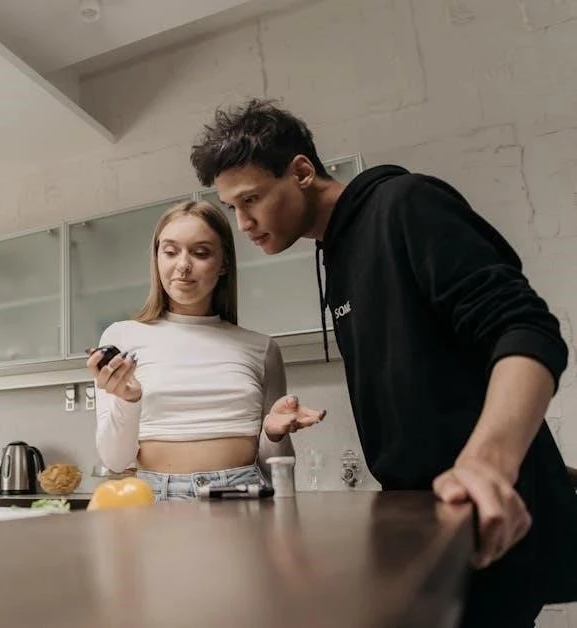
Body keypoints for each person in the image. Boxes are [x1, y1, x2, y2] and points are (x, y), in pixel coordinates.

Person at [189, 98, 577, 627]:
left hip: (483, 517)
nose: (244, 223)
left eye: (251, 199)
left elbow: (526, 328)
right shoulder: (337, 252)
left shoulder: (405, 204)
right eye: (232, 207)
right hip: (428, 521)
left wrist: (489, 462)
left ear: (301, 172)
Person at [87, 199, 326, 501]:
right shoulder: (122, 338)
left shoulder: (262, 349)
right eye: (170, 252)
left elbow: (275, 471)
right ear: (157, 257)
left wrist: (273, 433)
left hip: (242, 495)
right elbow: (115, 460)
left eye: (200, 253)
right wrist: (128, 400)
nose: (183, 265)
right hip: (154, 498)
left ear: (224, 263)